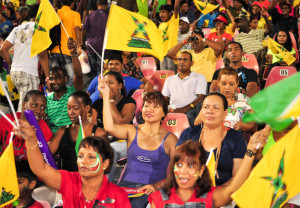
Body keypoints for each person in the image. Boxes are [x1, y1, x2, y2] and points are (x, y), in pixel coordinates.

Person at [13, 120, 132, 208]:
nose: (83, 161)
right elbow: (40, 169)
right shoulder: (69, 181)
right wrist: (31, 140)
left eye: (91, 157)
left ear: (105, 164)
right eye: (80, 156)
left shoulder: (118, 196)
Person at [100, 81, 178, 208]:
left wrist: (157, 186)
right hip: (126, 186)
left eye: (155, 107)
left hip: (151, 188)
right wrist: (106, 97)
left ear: (164, 113)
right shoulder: (132, 130)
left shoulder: (170, 140)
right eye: (146, 106)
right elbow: (109, 127)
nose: (149, 110)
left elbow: (177, 172)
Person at [149, 128, 270, 207]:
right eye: (179, 165)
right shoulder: (158, 199)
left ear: (201, 170)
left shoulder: (209, 197)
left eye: (191, 165)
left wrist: (250, 150)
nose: (183, 171)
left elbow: (235, 185)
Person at [177, 93, 247, 186]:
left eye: (216, 108)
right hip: (190, 190)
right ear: (201, 110)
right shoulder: (188, 134)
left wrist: (217, 194)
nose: (210, 111)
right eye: (206, 107)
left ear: (225, 113)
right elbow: (177, 166)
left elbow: (238, 177)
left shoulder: (236, 138)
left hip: (222, 193)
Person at [0, 4, 49, 112]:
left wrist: (11, 64)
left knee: (24, 104)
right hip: (28, 73)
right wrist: (48, 77)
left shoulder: (18, 28)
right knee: (27, 108)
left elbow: (3, 50)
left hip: (15, 73)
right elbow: (42, 55)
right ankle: (18, 128)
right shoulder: (40, 29)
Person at [90, 71, 136, 182]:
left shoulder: (129, 102)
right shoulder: (97, 103)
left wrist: (109, 100)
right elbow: (92, 125)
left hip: (123, 141)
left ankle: (107, 184)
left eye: (111, 82)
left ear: (120, 85)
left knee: (110, 150)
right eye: (105, 83)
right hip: (103, 140)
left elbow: (121, 122)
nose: (107, 86)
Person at [48, 91, 108, 171]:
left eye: (75, 108)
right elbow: (46, 154)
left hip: (89, 180)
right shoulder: (62, 131)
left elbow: (107, 165)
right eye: (68, 108)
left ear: (87, 108)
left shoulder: (98, 134)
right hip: (66, 179)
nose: (70, 112)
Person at [196, 67, 257, 139]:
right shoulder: (211, 99)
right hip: (211, 138)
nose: (227, 87)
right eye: (224, 83)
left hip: (236, 140)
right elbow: (196, 123)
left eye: (231, 84)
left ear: (237, 83)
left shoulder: (245, 101)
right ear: (218, 82)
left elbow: (254, 127)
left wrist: (242, 126)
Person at [0, 90, 52, 160]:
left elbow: (43, 160)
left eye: (42, 107)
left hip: (29, 169)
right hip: (7, 166)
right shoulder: (7, 120)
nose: (39, 111)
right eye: (34, 105)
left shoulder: (45, 129)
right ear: (24, 105)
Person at [46, 38, 84, 134]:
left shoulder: (73, 93)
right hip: (54, 138)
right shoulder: (47, 100)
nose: (54, 81)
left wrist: (73, 53)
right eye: (51, 78)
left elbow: (79, 75)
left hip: (71, 135)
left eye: (58, 77)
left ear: (66, 79)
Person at [162, 51, 207, 126]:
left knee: (188, 119)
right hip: (172, 110)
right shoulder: (170, 79)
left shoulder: (199, 77)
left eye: (185, 59)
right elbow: (164, 98)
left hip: (191, 109)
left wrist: (185, 109)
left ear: (191, 63)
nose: (181, 62)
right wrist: (165, 110)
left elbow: (201, 98)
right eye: (179, 59)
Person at [49, 0, 82, 87]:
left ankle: (58, 95)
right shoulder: (75, 14)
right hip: (68, 50)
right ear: (72, 3)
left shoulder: (55, 13)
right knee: (71, 76)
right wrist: (79, 46)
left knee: (54, 76)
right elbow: (77, 29)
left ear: (61, 3)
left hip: (53, 50)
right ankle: (66, 95)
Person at [82, 0, 109, 86]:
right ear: (107, 5)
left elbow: (84, 30)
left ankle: (92, 89)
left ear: (97, 4)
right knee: (101, 71)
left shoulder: (90, 16)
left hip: (91, 46)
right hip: (103, 47)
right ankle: (99, 90)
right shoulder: (110, 16)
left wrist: (82, 42)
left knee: (92, 72)